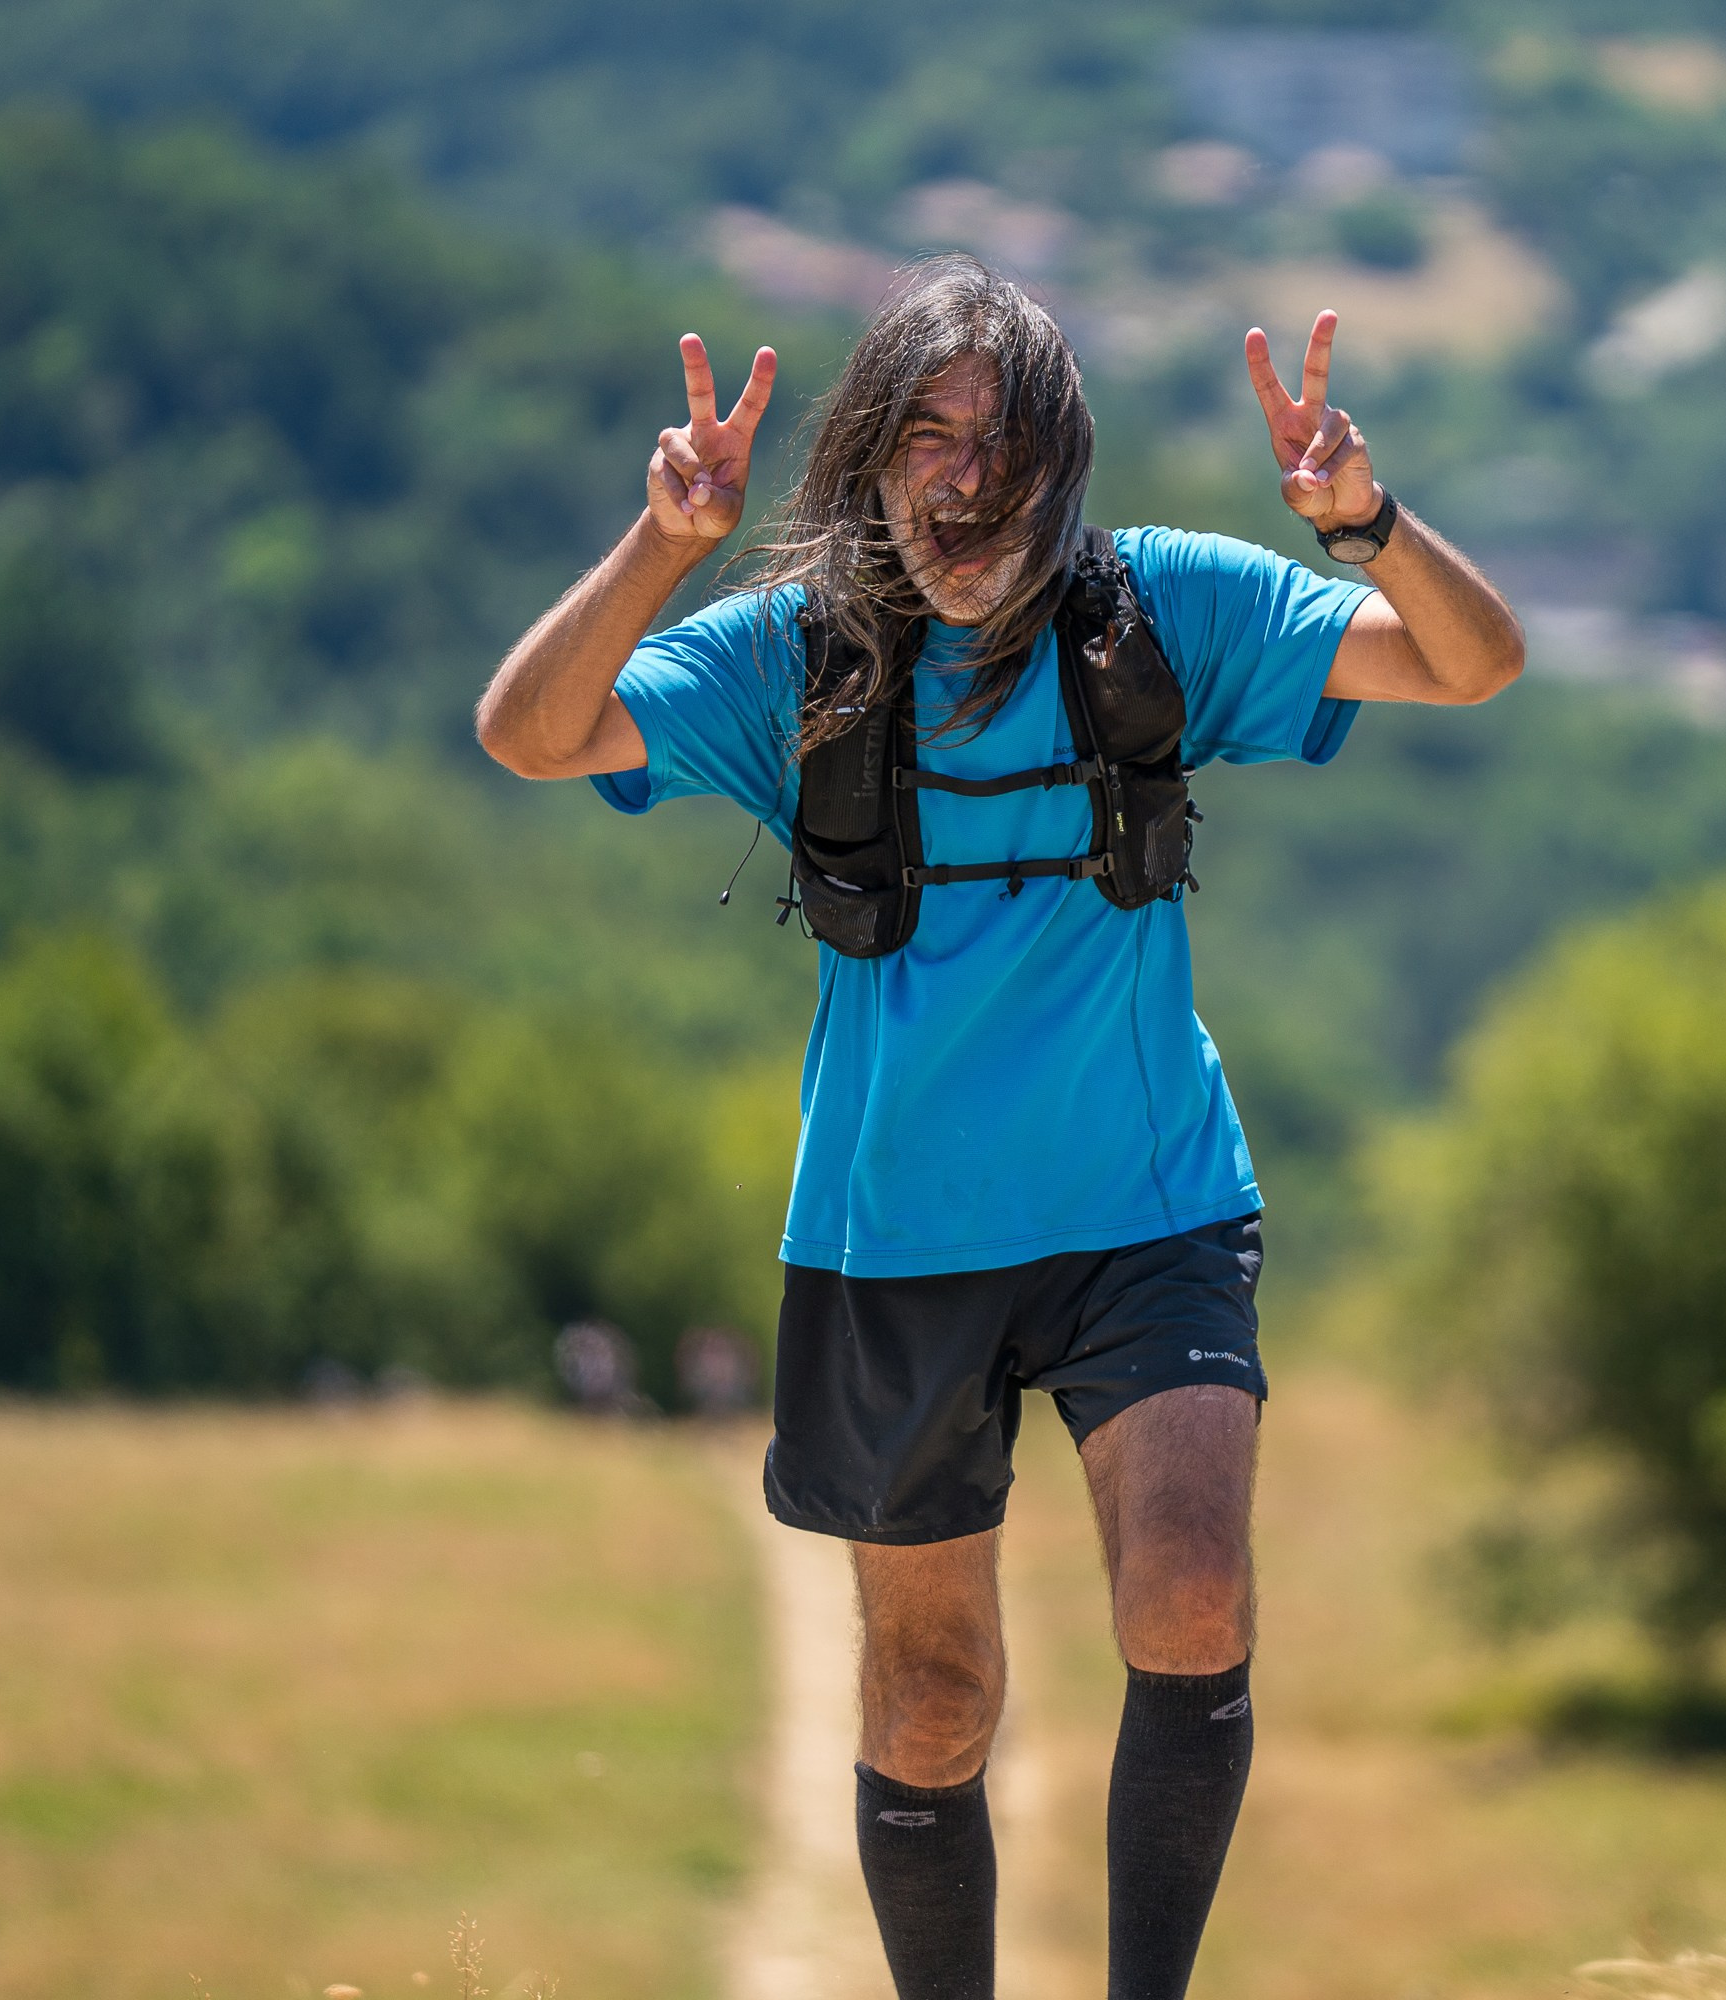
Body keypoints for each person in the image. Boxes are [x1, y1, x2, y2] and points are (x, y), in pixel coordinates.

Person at [476, 256, 1521, 2000]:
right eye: (927, 436)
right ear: (871, 465)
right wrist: (663, 545)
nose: (966, 479)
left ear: (1066, 466)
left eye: (1007, 442)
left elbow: (1473, 665)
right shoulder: (794, 657)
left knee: (1191, 1598)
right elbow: (528, 736)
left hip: (1151, 1202)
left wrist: (1368, 518)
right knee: (931, 1696)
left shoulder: (1162, 613)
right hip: (899, 1237)